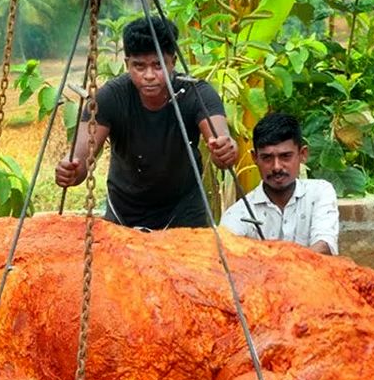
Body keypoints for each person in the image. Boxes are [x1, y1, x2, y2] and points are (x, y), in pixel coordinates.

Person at [54, 16, 239, 230]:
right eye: (139, 66)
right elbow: (80, 160)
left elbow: (221, 142)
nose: (149, 75)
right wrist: (70, 170)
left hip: (184, 212)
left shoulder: (196, 93)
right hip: (124, 213)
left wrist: (226, 149)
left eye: (158, 65)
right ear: (127, 64)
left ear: (173, 62)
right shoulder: (111, 97)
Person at [219, 113, 338, 254]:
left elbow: (324, 246)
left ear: (303, 154)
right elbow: (226, 257)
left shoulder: (319, 192)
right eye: (267, 158)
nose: (276, 167)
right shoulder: (237, 214)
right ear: (254, 158)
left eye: (285, 156)